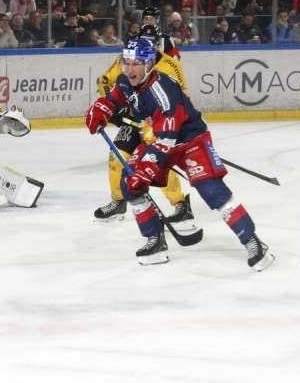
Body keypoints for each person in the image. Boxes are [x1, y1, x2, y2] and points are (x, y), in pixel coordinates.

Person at [85, 38, 274, 271]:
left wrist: (145, 170)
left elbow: (167, 140)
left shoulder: (162, 92)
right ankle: (155, 240)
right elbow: (116, 97)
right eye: (127, 62)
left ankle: (253, 242)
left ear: (149, 64)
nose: (129, 69)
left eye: (136, 64)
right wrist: (102, 108)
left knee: (211, 189)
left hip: (189, 140)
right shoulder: (125, 79)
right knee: (129, 184)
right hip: (155, 136)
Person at [93, 27, 195, 228]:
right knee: (116, 159)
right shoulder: (128, 58)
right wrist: (115, 108)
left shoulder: (170, 64)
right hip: (135, 121)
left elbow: (183, 97)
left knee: (162, 163)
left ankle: (181, 204)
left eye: (153, 41)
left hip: (160, 125)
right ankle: (119, 200)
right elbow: (107, 81)